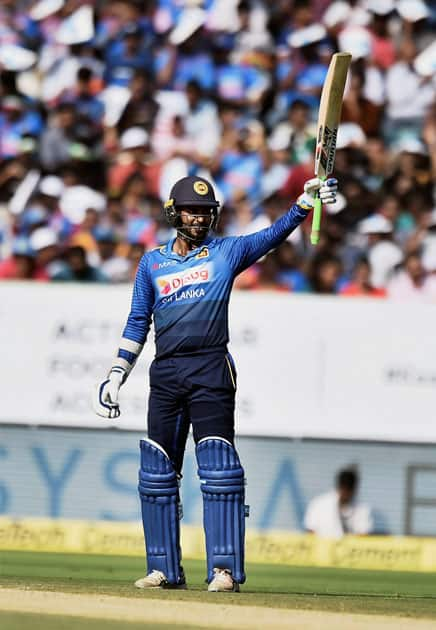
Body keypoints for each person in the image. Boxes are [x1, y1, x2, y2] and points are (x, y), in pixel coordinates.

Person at [93, 173, 338, 592]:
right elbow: (138, 320)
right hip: (166, 373)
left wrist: (303, 204)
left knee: (219, 469)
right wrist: (118, 372)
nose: (199, 218)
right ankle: (164, 569)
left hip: (211, 369)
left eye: (206, 212)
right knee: (157, 473)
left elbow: (271, 236)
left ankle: (223, 570)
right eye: (191, 210)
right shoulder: (153, 262)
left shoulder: (225, 252)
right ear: (173, 212)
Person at [304, 467, 374, 538]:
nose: (345, 494)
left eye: (348, 491)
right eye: (344, 489)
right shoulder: (318, 504)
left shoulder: (362, 509)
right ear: (338, 487)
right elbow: (310, 531)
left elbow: (364, 534)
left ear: (354, 490)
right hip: (323, 547)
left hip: (350, 548)